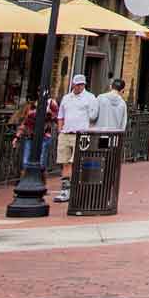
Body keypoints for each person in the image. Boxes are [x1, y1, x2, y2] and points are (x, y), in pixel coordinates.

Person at [55, 73, 99, 202]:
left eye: (82, 84)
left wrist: (88, 131)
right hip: (66, 133)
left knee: (75, 162)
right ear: (73, 84)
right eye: (77, 84)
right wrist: (60, 130)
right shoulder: (66, 98)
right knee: (65, 162)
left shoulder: (90, 98)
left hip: (80, 134)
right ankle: (65, 190)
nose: (80, 86)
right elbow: (60, 115)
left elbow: (93, 117)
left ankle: (76, 190)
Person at [16, 96, 58, 173]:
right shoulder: (30, 110)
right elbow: (25, 124)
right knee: (25, 162)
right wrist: (17, 137)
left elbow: (55, 117)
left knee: (41, 164)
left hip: (44, 137)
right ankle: (25, 180)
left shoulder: (51, 103)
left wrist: (50, 112)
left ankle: (40, 180)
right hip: (30, 137)